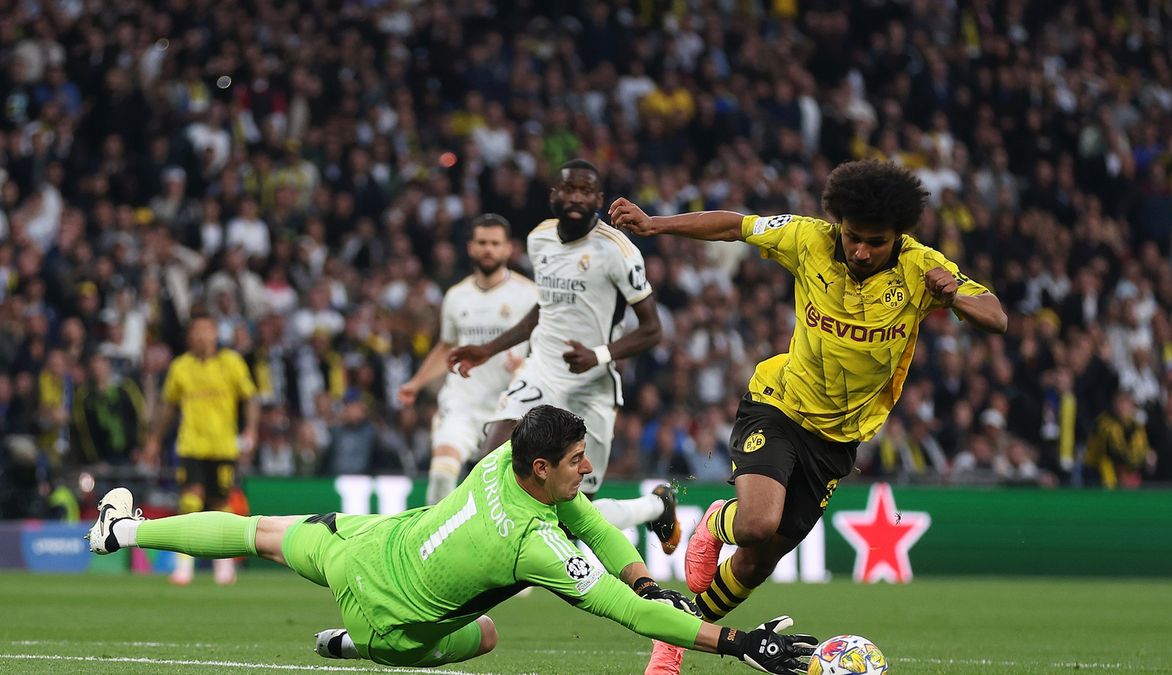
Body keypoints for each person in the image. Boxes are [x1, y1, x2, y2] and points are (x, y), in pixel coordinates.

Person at [610, 159, 1008, 673]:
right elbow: (735, 225)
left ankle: (675, 639)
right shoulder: (808, 238)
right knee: (756, 524)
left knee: (758, 560)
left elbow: (996, 317)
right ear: (838, 223)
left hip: (838, 439)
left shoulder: (922, 269)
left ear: (899, 237)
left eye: (876, 242)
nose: (861, 250)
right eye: (853, 237)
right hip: (779, 404)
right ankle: (714, 525)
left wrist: (952, 296)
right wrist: (654, 224)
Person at [87, 404, 818, 674]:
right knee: (490, 632)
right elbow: (638, 620)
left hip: (367, 547)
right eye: (575, 461)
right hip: (389, 618)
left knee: (256, 532)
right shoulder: (536, 544)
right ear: (542, 466)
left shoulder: (502, 457)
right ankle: (358, 646)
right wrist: (736, 642)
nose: (586, 468)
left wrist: (639, 572)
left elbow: (590, 517)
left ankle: (123, 527)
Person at [449, 159, 680, 552]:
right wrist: (487, 350)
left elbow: (652, 329)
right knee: (494, 454)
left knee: (574, 520)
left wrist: (599, 354)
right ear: (554, 194)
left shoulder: (618, 252)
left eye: (585, 191)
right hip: (542, 369)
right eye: (568, 189)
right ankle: (474, 549)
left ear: (598, 199)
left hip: (592, 385)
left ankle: (656, 506)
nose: (575, 197)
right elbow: (545, 309)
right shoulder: (539, 239)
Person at [397, 214, 538, 505]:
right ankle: (434, 546)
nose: (489, 249)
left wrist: (526, 366)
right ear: (471, 247)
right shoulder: (456, 296)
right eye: (482, 243)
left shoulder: (529, 294)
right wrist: (417, 382)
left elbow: (545, 348)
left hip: (509, 408)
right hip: (462, 401)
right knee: (441, 472)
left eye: (495, 243)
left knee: (501, 494)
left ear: (507, 249)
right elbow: (447, 347)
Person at [143, 314, 260, 585]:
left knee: (221, 505)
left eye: (206, 330)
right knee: (190, 502)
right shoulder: (181, 366)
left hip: (222, 447)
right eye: (196, 331)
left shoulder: (231, 362)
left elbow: (250, 397)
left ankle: (224, 565)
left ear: (216, 333)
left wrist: (251, 430)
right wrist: (154, 440)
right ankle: (184, 566)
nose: (201, 336)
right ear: (189, 337)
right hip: (191, 445)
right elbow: (168, 406)